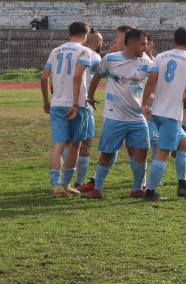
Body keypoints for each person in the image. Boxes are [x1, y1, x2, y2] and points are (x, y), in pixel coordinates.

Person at [80, 28, 154, 199]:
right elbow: (97, 75)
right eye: (142, 43)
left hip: (137, 117)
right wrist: (90, 96)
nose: (145, 46)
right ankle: (97, 189)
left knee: (142, 151)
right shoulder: (111, 59)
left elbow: (155, 81)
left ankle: (137, 189)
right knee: (108, 152)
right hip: (115, 117)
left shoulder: (147, 62)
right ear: (131, 43)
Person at [140, 26, 186, 200]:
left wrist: (144, 104)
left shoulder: (160, 57)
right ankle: (150, 193)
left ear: (173, 40)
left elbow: (151, 81)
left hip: (158, 111)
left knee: (184, 144)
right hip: (172, 114)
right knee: (163, 152)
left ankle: (182, 186)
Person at [40, 21, 94, 197]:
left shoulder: (56, 51)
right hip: (76, 105)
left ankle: (56, 185)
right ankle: (66, 184)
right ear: (85, 35)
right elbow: (78, 76)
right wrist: (76, 104)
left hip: (57, 103)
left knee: (58, 145)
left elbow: (43, 77)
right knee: (75, 144)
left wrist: (46, 101)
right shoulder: (84, 51)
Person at [71, 30, 104, 190]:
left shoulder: (70, 52)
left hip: (63, 101)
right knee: (85, 143)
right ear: (98, 43)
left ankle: (63, 181)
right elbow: (100, 73)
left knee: (66, 143)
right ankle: (80, 182)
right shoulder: (94, 56)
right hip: (83, 103)